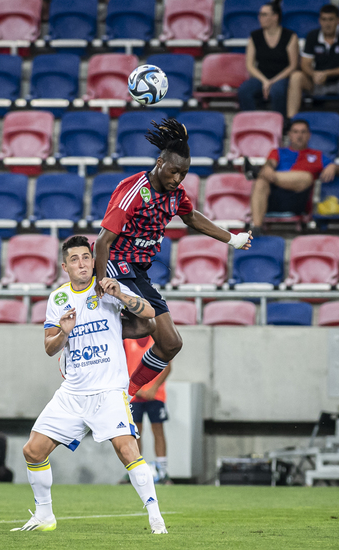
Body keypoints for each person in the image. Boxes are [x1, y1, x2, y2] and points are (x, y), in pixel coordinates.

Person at [13, 236, 166, 534]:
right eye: (75, 259)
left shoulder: (107, 287)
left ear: (93, 261)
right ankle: (45, 516)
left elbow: (150, 313)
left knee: (127, 450)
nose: (82, 264)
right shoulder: (58, 299)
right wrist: (64, 333)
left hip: (109, 389)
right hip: (73, 392)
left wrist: (121, 295)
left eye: (86, 257)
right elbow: (49, 348)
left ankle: (156, 517)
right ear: (65, 267)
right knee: (33, 451)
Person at [95, 118, 253, 397]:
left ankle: (128, 392)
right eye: (174, 171)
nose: (178, 178)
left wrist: (233, 239)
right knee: (144, 324)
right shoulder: (133, 190)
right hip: (116, 264)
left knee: (171, 343)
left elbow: (191, 217)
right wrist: (100, 282)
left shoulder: (175, 195)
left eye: (184, 174)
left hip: (138, 272)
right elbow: (102, 241)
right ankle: (88, 334)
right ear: (160, 163)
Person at [247, 119, 339, 235]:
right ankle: (256, 228)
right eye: (295, 132)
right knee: (260, 182)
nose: (299, 136)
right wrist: (268, 168)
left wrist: (333, 166)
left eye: (303, 132)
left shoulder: (317, 155)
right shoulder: (277, 152)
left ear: (309, 135)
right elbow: (270, 164)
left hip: (298, 201)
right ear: (289, 134)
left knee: (306, 177)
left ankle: (256, 172)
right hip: (273, 199)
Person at [287, 4, 339, 118]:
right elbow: (305, 64)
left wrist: (327, 73)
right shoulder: (312, 36)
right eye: (324, 19)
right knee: (296, 76)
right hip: (317, 81)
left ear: (338, 20)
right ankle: (291, 120)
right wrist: (314, 74)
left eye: (331, 19)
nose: (327, 24)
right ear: (319, 21)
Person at [124, 337, 173, 485]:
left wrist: (154, 388)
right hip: (134, 395)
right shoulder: (127, 340)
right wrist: (134, 388)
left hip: (155, 395)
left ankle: (162, 471)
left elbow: (167, 367)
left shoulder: (157, 338)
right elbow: (121, 366)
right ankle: (135, 470)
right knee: (135, 433)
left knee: (158, 430)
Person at [238, 0, 299, 115]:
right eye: (260, 14)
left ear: (275, 17)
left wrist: (272, 82)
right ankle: (251, 121)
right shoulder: (254, 36)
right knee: (244, 90)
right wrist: (265, 81)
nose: (260, 17)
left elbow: (293, 66)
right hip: (261, 77)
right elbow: (250, 65)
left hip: (282, 77)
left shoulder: (290, 36)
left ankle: (280, 122)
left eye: (264, 14)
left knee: (277, 91)